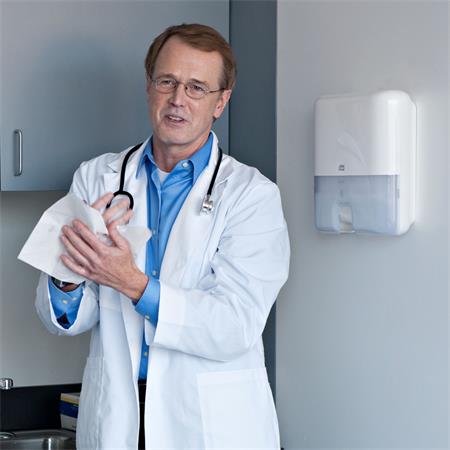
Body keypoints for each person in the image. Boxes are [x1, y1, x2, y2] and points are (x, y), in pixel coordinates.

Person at [35, 23, 290, 449]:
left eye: (196, 88)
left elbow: (234, 325)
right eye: (167, 81)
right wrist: (69, 275)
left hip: (208, 426)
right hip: (118, 419)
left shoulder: (252, 197)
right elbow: (66, 319)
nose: (177, 99)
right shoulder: (97, 177)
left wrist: (131, 283)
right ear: (149, 86)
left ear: (221, 102)